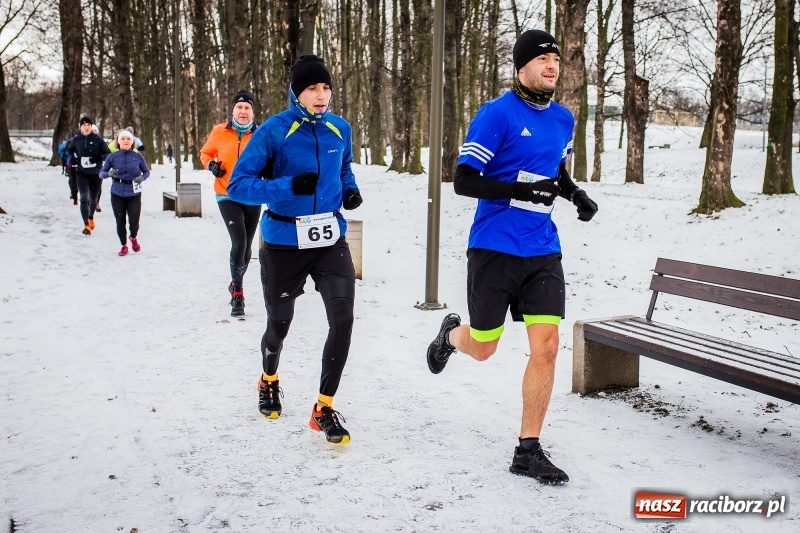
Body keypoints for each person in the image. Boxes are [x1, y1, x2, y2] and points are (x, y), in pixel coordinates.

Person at [425, 29, 598, 484]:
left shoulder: (563, 119)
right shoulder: (496, 114)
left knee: (548, 346)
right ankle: (451, 337)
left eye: (555, 59)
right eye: (542, 59)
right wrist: (517, 191)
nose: (552, 65)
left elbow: (556, 172)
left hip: (542, 249)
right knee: (484, 347)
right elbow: (464, 180)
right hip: (494, 246)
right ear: (521, 66)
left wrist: (576, 195)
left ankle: (528, 450)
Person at [227, 55, 363, 444]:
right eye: (312, 88)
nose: (321, 95)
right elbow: (239, 185)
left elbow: (344, 168)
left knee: (343, 318)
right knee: (279, 325)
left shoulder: (340, 128)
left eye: (326, 87)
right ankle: (268, 378)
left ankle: (323, 408)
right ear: (296, 92)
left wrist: (350, 189)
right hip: (284, 242)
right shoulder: (274, 131)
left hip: (329, 238)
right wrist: (286, 186)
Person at [199, 89, 261, 317]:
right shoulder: (219, 131)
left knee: (247, 248)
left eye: (247, 108)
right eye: (239, 107)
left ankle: (234, 282)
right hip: (227, 194)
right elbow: (205, 154)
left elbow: (271, 159)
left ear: (252, 112)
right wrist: (212, 166)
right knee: (239, 241)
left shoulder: (261, 134)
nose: (243, 111)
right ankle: (238, 294)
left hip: (252, 195)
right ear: (233, 110)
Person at [99, 130, 150, 255]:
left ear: (132, 142)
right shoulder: (112, 157)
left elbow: (146, 172)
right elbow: (101, 173)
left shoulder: (137, 156)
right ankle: (123, 245)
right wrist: (109, 173)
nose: (125, 141)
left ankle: (133, 237)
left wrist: (142, 178)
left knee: (134, 221)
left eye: (128, 139)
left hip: (134, 193)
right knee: (120, 221)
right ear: (118, 142)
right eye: (123, 139)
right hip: (117, 192)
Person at [66, 116, 111, 235]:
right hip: (82, 172)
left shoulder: (97, 139)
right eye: (84, 125)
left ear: (91, 127)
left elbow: (108, 154)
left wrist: (98, 157)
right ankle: (86, 225)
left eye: (88, 125)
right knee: (84, 197)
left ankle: (91, 217)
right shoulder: (77, 139)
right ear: (80, 127)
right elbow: (69, 150)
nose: (86, 127)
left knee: (93, 198)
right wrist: (74, 158)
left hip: (96, 173)